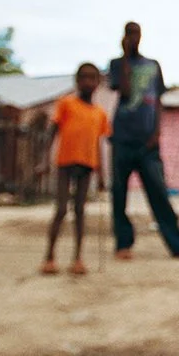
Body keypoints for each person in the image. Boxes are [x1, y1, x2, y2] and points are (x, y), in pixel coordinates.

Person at [108, 21, 179, 260]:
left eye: (136, 34)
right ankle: (123, 244)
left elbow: (157, 100)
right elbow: (124, 92)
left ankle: (178, 245)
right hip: (122, 139)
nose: (133, 38)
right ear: (124, 37)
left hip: (148, 142)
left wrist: (157, 132)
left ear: (141, 37)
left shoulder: (153, 65)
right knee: (118, 195)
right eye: (129, 34)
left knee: (159, 193)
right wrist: (125, 56)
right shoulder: (117, 64)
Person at [40, 63, 112, 276]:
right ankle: (49, 257)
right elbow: (52, 132)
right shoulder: (66, 104)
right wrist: (45, 160)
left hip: (87, 166)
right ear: (77, 81)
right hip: (65, 163)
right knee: (61, 209)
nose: (88, 82)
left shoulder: (99, 114)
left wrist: (101, 174)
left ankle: (77, 259)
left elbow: (98, 144)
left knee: (80, 211)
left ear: (98, 83)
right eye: (84, 78)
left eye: (93, 78)